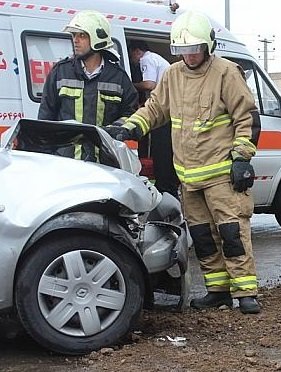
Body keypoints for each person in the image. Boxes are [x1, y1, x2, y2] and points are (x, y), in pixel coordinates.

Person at [105, 10, 261, 314]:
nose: (189, 56)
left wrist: (242, 158)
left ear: (208, 46)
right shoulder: (173, 76)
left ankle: (245, 292)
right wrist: (130, 127)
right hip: (189, 177)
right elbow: (154, 110)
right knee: (202, 237)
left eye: (195, 49)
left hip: (221, 175)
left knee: (232, 233)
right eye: (183, 50)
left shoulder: (227, 73)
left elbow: (247, 119)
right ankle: (217, 290)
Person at [38, 10, 138, 161]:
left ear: (98, 39)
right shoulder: (60, 72)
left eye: (82, 35)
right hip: (65, 163)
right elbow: (45, 119)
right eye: (74, 35)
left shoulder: (118, 77)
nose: (75, 40)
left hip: (105, 164)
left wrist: (113, 130)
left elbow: (131, 115)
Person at [128, 40, 179, 198]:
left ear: (137, 51)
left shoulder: (147, 59)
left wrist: (131, 85)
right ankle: (169, 187)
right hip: (170, 110)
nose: (133, 61)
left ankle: (164, 188)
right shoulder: (158, 59)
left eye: (131, 56)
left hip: (163, 113)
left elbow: (150, 84)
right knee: (167, 152)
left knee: (161, 152)